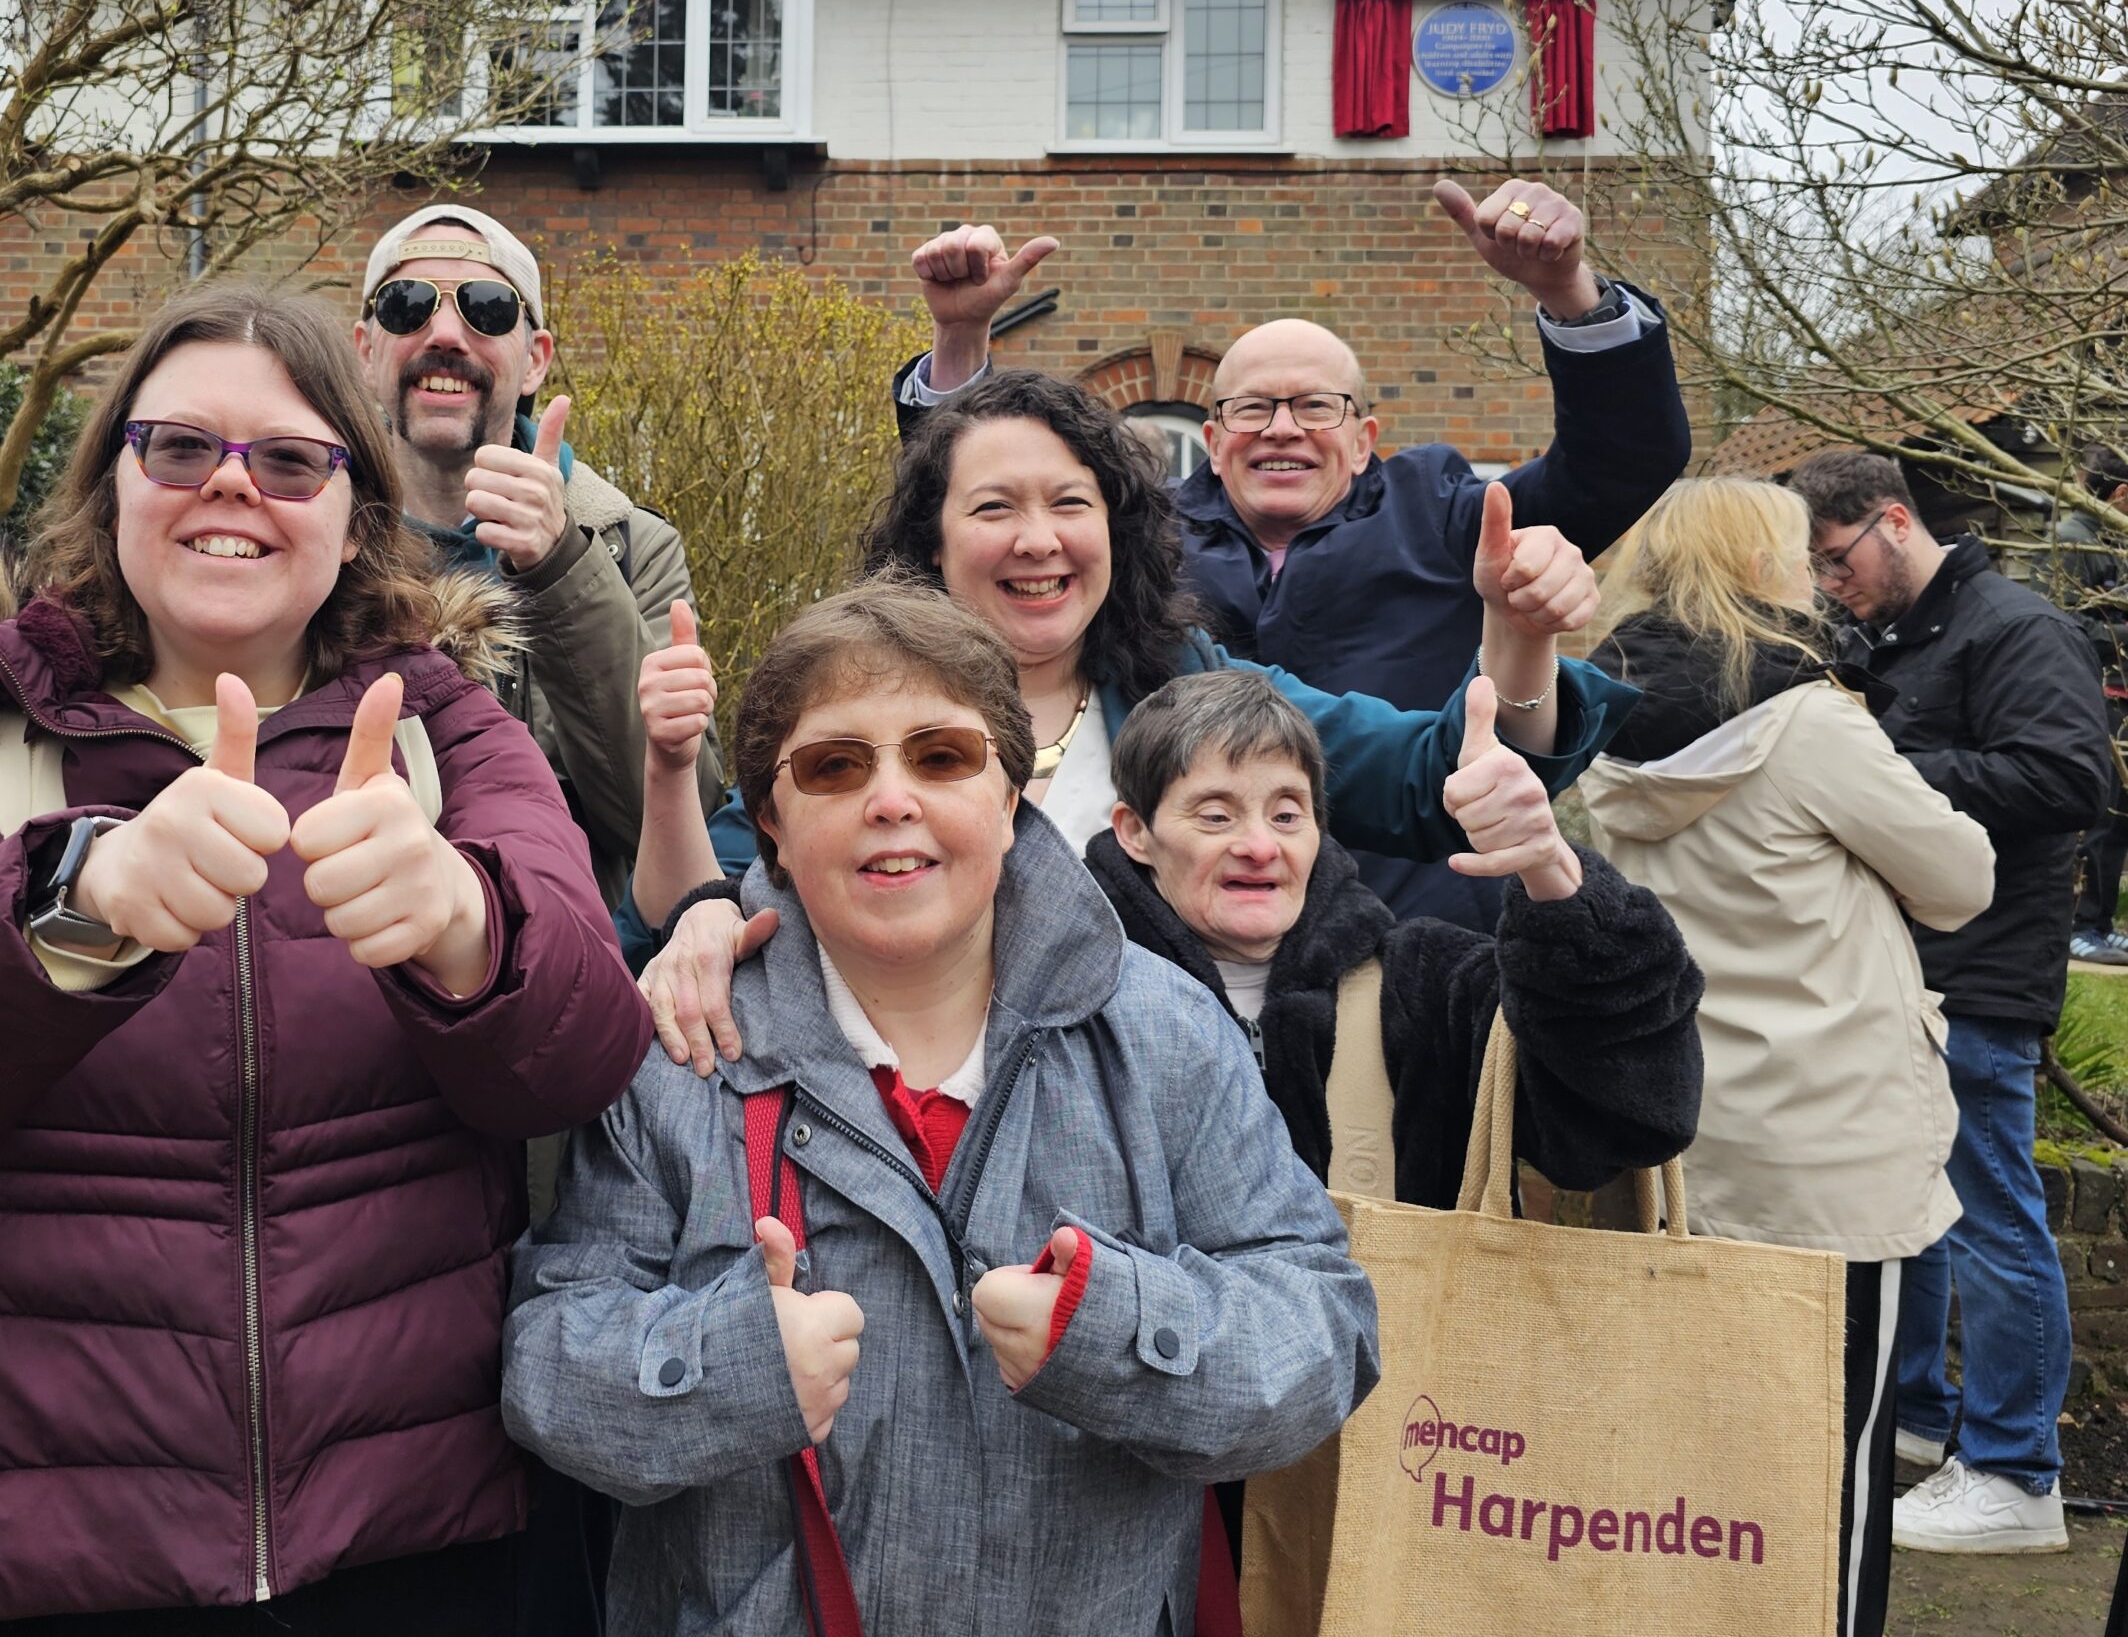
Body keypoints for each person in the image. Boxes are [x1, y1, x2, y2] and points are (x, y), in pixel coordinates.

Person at [0, 283, 650, 1632]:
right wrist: (77, 903)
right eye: (180, 448)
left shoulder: (445, 730)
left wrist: (465, 924)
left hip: (410, 1534)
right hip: (41, 1544)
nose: (230, 489)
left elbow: (590, 1055)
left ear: (354, 507)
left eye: (291, 459)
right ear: (113, 482)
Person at [502, 581, 1381, 1635]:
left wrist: (1117, 1333)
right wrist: (727, 1366)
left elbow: (1323, 1330)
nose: (890, 799)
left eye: (940, 756)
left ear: (1011, 795)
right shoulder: (681, 1052)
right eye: (835, 765)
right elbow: (549, 1364)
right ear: (772, 822)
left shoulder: (1161, 1035)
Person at [630, 368, 1636, 1066]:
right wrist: (704, 913)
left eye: (1070, 503)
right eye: (992, 510)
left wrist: (1516, 634)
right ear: (930, 544)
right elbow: (720, 880)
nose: (1037, 541)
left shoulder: (1192, 690)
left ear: (1117, 530)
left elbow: (1435, 782)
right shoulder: (850, 707)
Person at [891, 177, 1690, 929]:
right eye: (1252, 408)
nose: (1281, 428)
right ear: (1209, 440)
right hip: (1196, 957)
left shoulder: (1450, 519)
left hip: (1406, 945)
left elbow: (1621, 459)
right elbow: (979, 501)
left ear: (1365, 438)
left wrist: (1567, 292)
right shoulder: (1141, 543)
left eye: (1314, 406)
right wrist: (959, 344)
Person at [1090, 667, 1702, 1632]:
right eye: (1214, 815)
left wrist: (1553, 874)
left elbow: (1628, 1115)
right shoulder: (1048, 1003)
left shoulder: (1427, 983)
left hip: (1392, 1501)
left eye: (1287, 813)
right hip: (1120, 1532)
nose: (1259, 846)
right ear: (1134, 832)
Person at [1574, 477, 1996, 1635]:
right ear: (1760, 569)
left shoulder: (1586, 716)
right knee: (1835, 1471)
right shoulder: (1807, 723)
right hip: (1829, 1156)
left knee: (1688, 1479)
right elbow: (1962, 880)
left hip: (1673, 1141)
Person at [1788, 446, 2113, 1555]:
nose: (1832, 586)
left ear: (1891, 520)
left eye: (1836, 561)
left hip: (1981, 973)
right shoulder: (1900, 639)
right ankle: (1920, 1425)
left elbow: (2073, 779)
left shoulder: (2016, 628)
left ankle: (2017, 1472)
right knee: (1909, 1210)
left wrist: (1882, 777)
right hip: (1913, 968)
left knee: (1988, 1218)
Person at [353, 200, 718, 912]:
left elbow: (672, 822)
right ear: (366, 352)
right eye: (408, 305)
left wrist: (559, 565)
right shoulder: (312, 540)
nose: (447, 334)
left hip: (566, 962)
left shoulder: (628, 544)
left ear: (534, 360)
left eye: (487, 308)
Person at [2042, 444, 2128, 966]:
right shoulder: (2072, 543)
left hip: (2117, 693)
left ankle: (2099, 921)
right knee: (2100, 813)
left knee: (2120, 816)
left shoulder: (2106, 540)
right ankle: (2078, 925)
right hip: (2092, 695)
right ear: (2120, 493)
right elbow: (2062, 628)